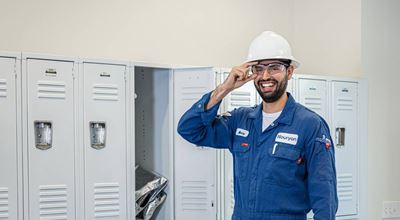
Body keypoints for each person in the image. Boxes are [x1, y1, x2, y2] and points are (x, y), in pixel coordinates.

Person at [177, 31, 338, 220]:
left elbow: (324, 197)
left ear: (290, 71)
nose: (265, 76)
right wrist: (225, 88)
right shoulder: (240, 120)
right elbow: (189, 129)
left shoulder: (310, 125)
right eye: (259, 69)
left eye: (274, 68)